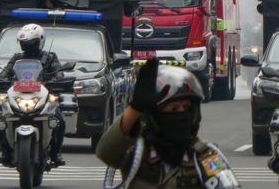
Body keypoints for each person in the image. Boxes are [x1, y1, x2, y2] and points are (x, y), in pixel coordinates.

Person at [97, 58, 240, 189]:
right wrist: (135, 109)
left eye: (186, 108)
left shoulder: (205, 157)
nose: (181, 114)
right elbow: (106, 152)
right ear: (155, 115)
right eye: (173, 109)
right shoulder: (138, 154)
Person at [0, 24, 66, 167]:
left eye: (31, 43)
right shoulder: (17, 58)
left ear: (40, 41)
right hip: (19, 95)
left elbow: (59, 74)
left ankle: (56, 152)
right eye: (24, 43)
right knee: (1, 118)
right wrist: (0, 79)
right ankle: (5, 151)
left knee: (60, 120)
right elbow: (4, 74)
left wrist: (56, 80)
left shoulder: (50, 58)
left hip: (43, 96)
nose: (27, 46)